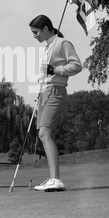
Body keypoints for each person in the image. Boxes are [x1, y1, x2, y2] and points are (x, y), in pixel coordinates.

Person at [29, 15, 82, 192]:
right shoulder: (47, 49)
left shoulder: (62, 43)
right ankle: (53, 178)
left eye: (36, 32)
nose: (34, 36)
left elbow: (76, 65)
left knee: (44, 133)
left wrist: (55, 69)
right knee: (44, 134)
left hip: (56, 91)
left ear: (45, 28)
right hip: (44, 93)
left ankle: (56, 179)